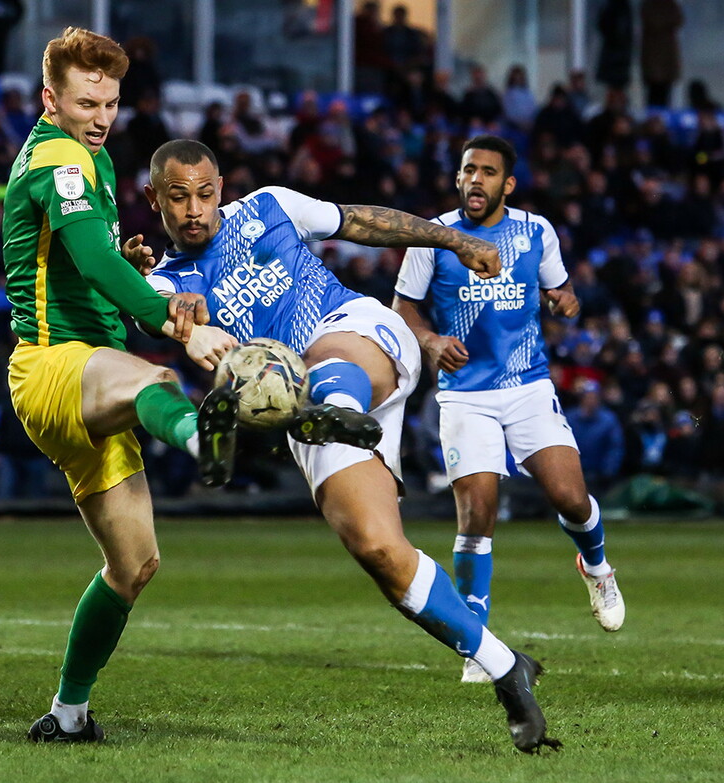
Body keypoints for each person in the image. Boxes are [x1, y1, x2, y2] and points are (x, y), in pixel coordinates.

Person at [143, 138, 561, 754]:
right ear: (155, 199)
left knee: (320, 361)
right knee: (380, 552)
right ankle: (507, 667)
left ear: (222, 188)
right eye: (178, 198)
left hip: (360, 334)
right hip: (302, 405)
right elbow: (181, 318)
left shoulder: (270, 207)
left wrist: (455, 239)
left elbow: (361, 221)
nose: (194, 210)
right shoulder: (160, 284)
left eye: (205, 194)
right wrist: (182, 318)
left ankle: (333, 412)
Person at [3, 28, 242, 744]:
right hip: (50, 366)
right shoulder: (59, 159)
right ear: (51, 98)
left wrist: (127, 259)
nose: (102, 115)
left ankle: (68, 714)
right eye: (86, 101)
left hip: (92, 377)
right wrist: (177, 321)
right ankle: (206, 433)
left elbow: (98, 264)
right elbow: (92, 264)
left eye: (109, 101)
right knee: (157, 377)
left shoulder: (96, 159)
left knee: (134, 564)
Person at [393, 134, 626, 686]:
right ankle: (479, 644)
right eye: (468, 170)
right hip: (464, 395)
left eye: (488, 172)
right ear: (457, 178)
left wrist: (566, 300)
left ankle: (596, 566)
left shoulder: (535, 232)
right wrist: (428, 342)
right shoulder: (434, 238)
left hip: (526, 386)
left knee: (570, 497)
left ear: (508, 184)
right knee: (477, 513)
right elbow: (402, 310)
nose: (476, 179)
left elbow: (560, 293)